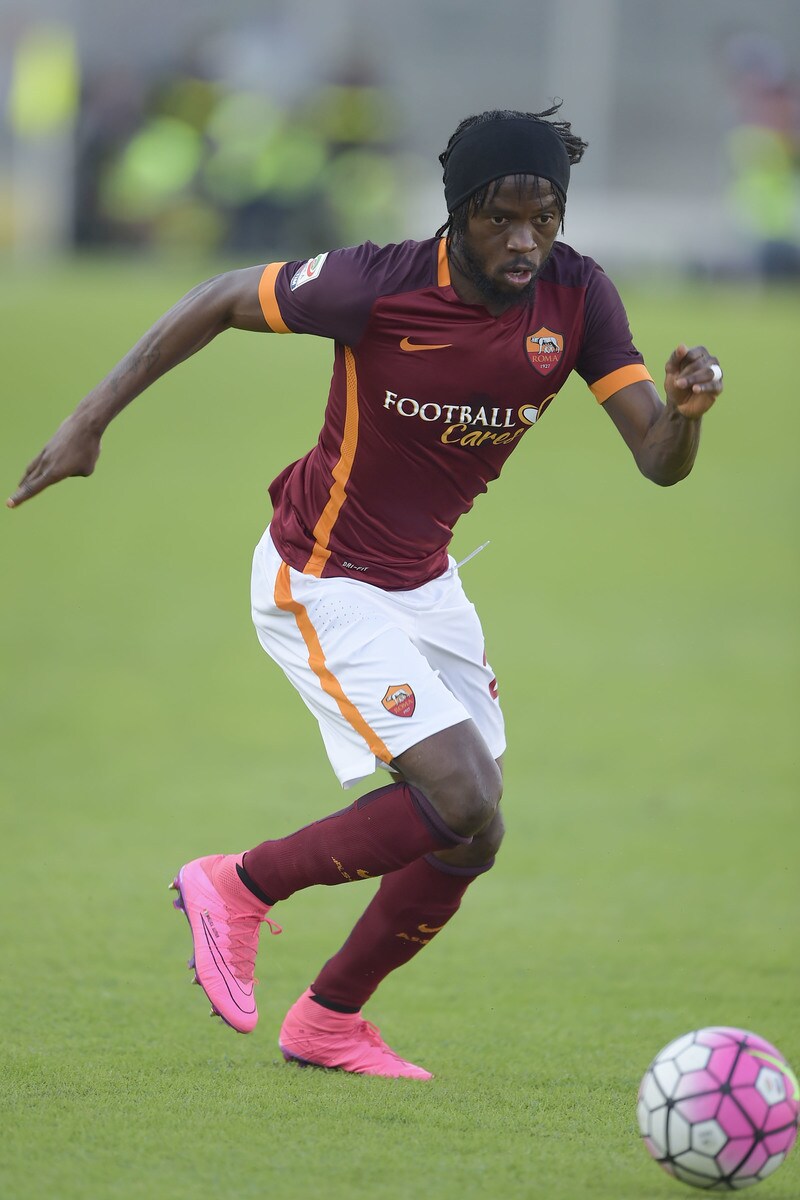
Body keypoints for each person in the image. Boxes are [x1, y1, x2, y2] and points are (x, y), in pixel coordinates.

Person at [7, 104, 724, 1080]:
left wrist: (684, 413)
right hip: (321, 575)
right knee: (459, 794)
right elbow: (220, 296)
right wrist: (88, 421)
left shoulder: (577, 296)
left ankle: (329, 1019)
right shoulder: (377, 285)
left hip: (424, 582)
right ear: (457, 215)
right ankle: (237, 885)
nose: (525, 242)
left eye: (545, 218)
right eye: (501, 219)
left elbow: (657, 459)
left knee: (473, 835)